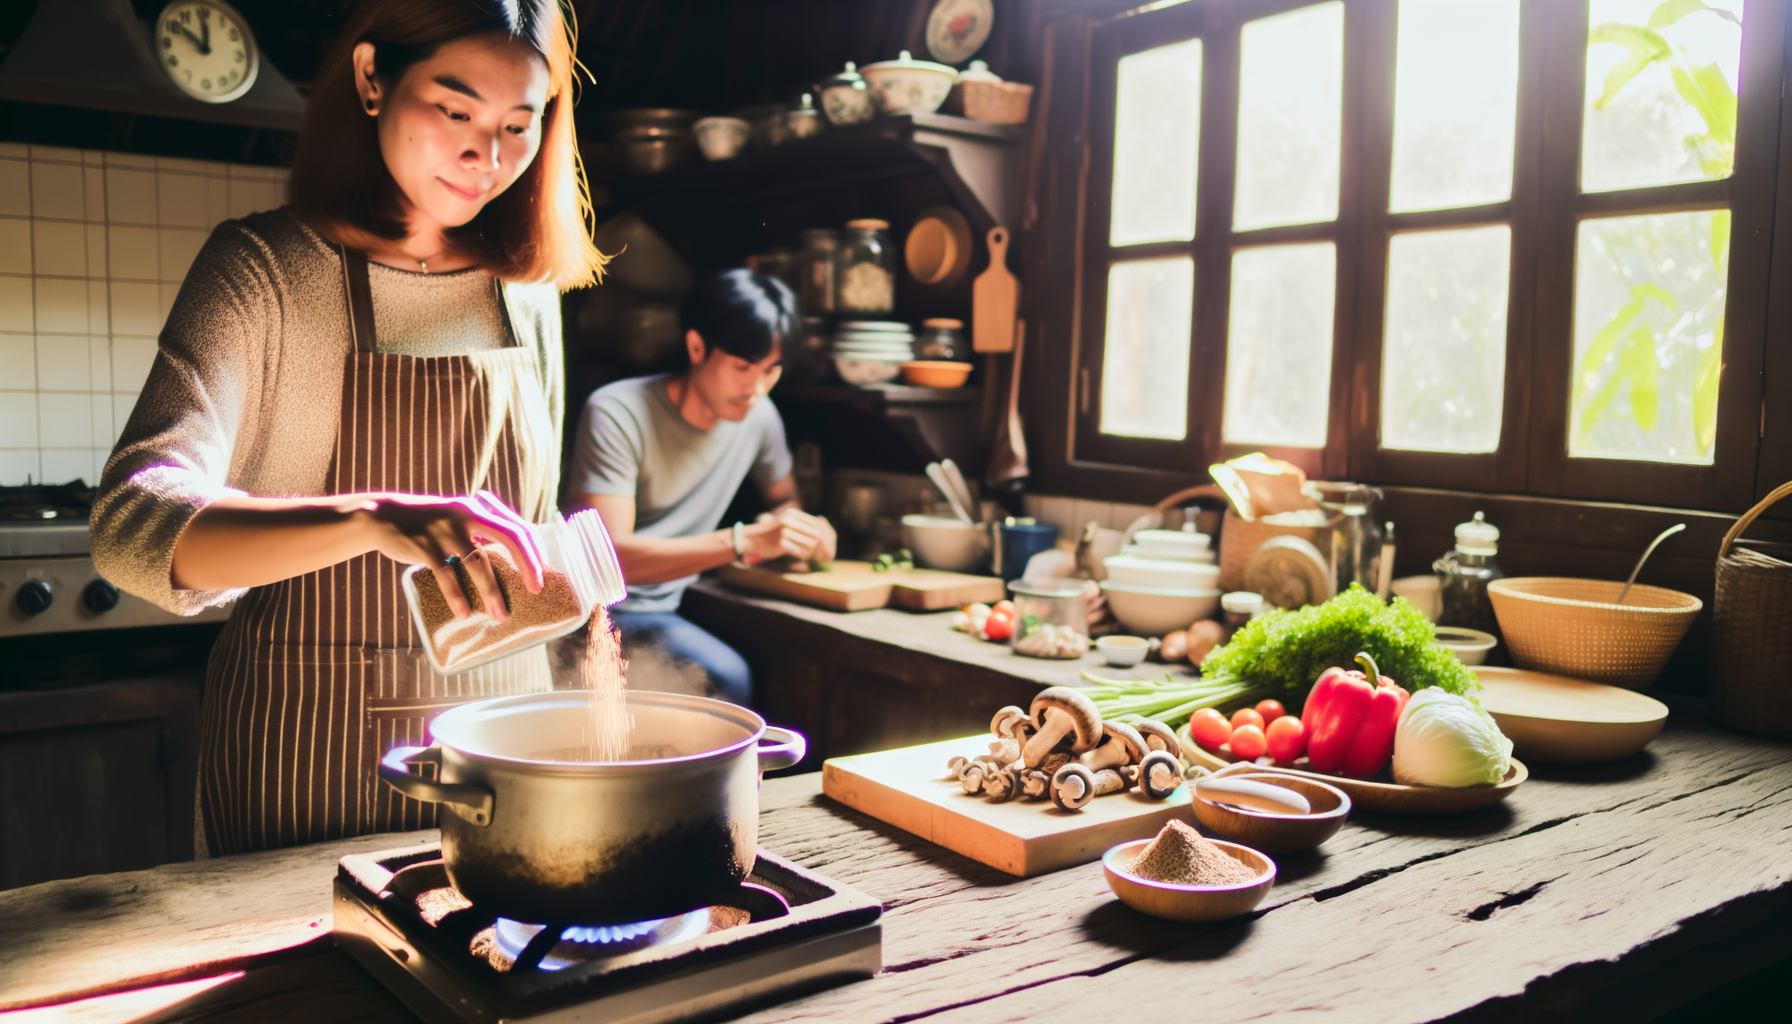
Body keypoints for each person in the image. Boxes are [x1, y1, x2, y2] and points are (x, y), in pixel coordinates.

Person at [90, 0, 606, 855]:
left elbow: (533, 523)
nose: (487, 156)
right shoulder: (264, 271)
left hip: (505, 739)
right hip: (304, 753)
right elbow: (126, 526)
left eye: (519, 125)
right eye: (456, 111)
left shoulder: (526, 290)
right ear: (372, 79)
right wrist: (369, 517)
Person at [567, 270, 836, 706]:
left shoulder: (760, 416)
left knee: (797, 657)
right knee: (727, 678)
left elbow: (785, 500)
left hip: (671, 605)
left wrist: (796, 529)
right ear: (696, 347)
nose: (756, 388)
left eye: (771, 369)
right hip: (595, 614)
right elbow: (607, 560)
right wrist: (744, 541)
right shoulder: (618, 411)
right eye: (742, 367)